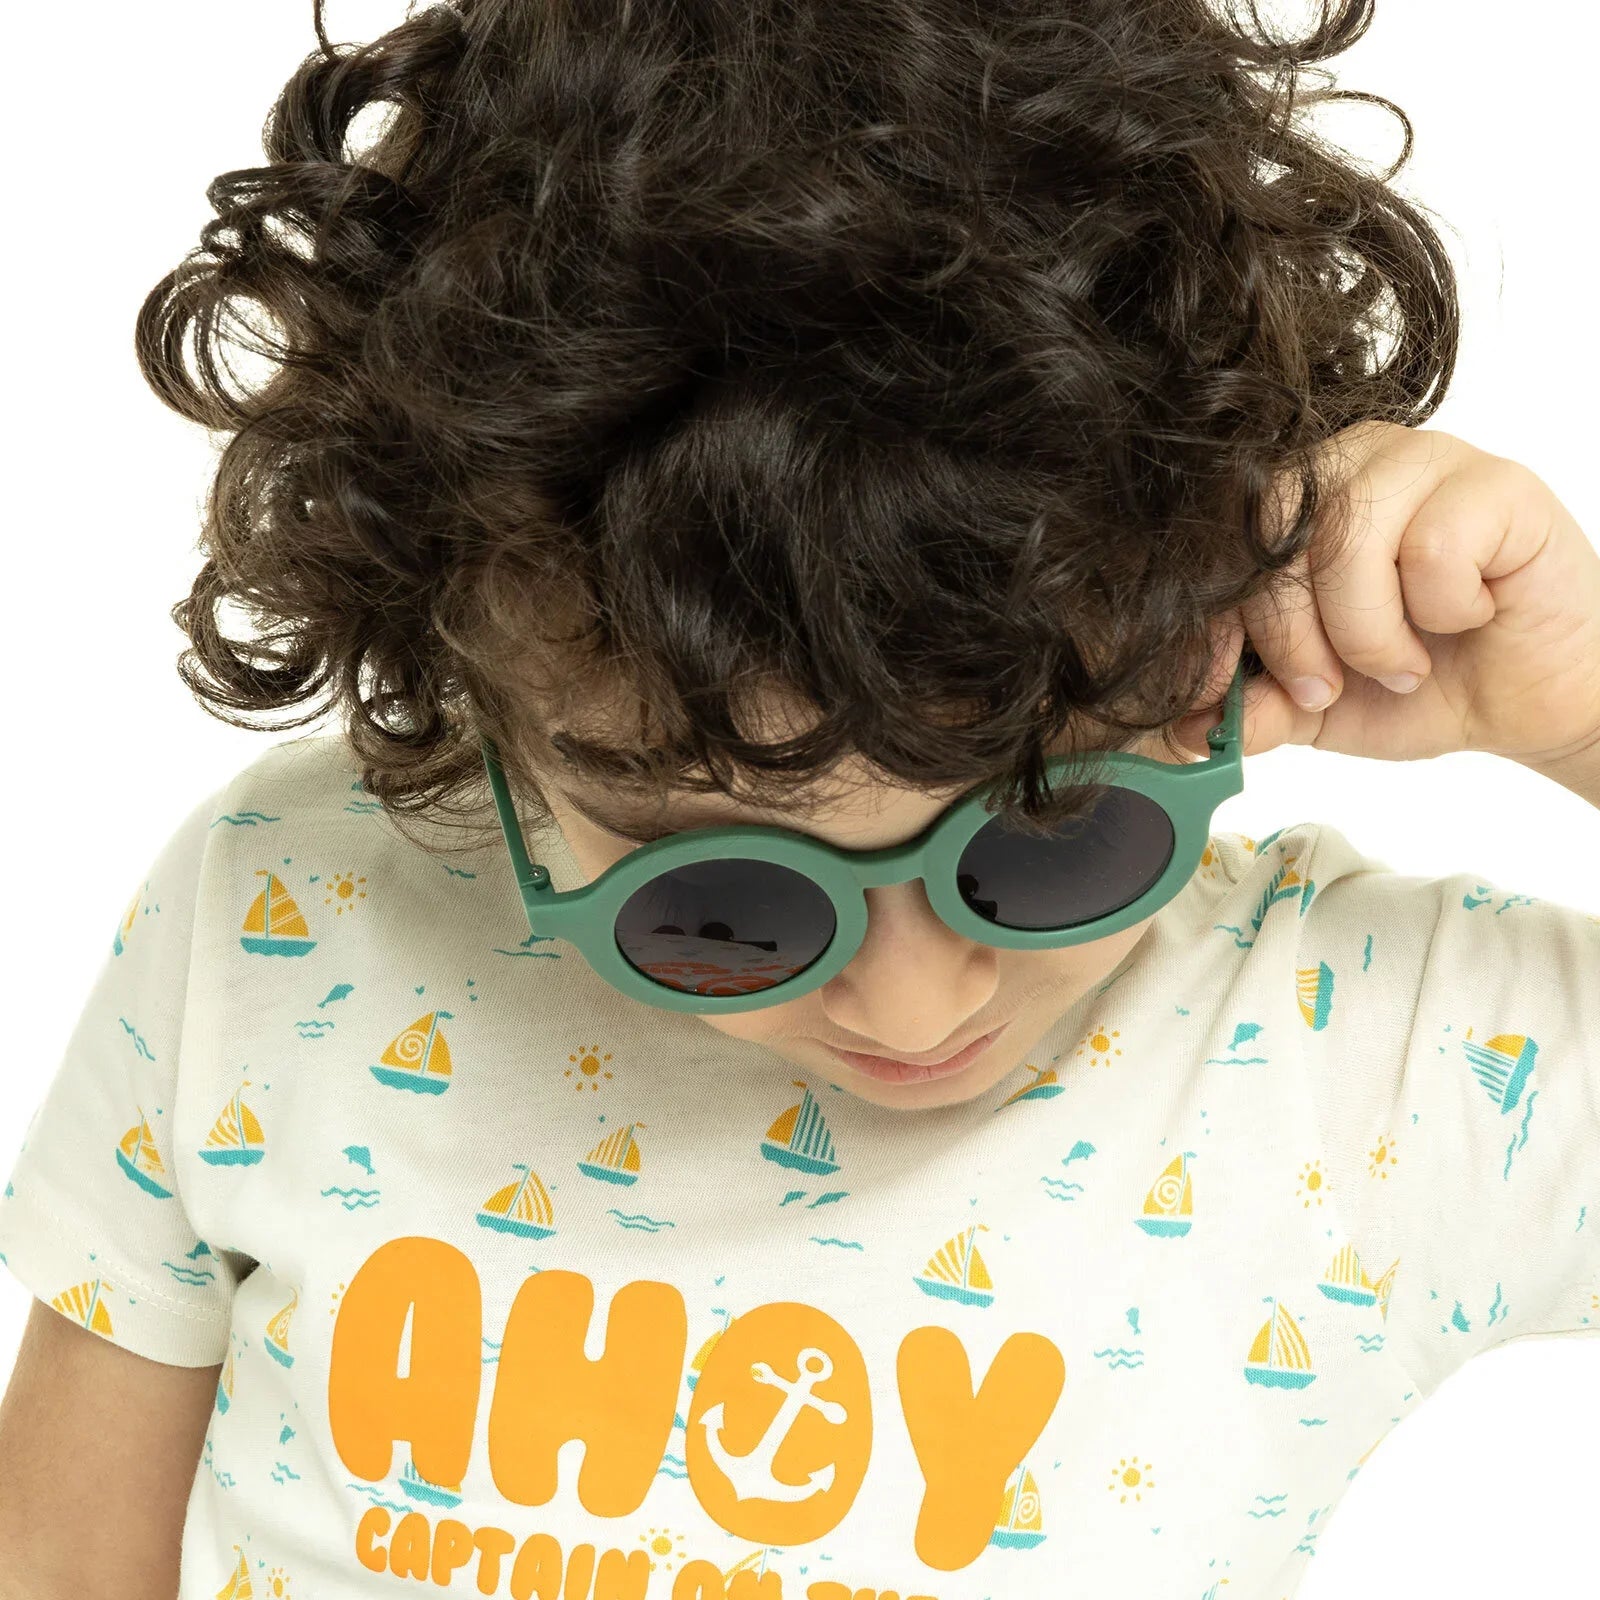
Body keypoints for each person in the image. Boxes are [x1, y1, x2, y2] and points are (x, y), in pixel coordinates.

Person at [0, 2, 1596, 1597]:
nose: (915, 1003)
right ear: (474, 698)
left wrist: (1580, 709)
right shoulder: (286, 913)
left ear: (1207, 638)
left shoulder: (1357, 1063)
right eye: (719, 905)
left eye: (1052, 839)